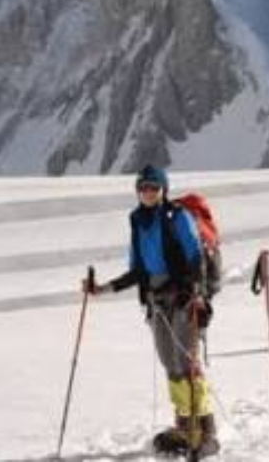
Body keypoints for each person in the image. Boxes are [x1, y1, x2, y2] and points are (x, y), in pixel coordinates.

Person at [85, 165, 219, 457]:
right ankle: (184, 424)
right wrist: (103, 289)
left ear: (163, 189)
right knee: (171, 364)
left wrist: (196, 294)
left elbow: (195, 256)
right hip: (156, 302)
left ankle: (206, 431)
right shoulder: (137, 221)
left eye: (153, 187)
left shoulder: (177, 216)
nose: (148, 192)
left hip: (184, 298)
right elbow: (138, 270)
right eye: (143, 187)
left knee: (187, 363)